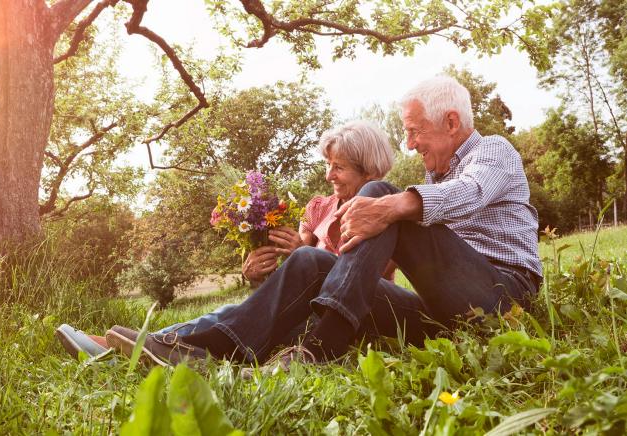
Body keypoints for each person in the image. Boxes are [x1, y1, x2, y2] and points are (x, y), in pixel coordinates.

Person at [105, 75, 542, 369]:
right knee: (309, 264)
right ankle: (196, 346)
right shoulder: (434, 175)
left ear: (451, 122)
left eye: (414, 131)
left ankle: (318, 346)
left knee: (378, 197)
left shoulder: (495, 152)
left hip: (503, 299)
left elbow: (471, 193)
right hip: (442, 316)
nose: (409, 144)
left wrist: (389, 206)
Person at [56, 120, 397, 360]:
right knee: (229, 310)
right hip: (297, 312)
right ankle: (131, 347)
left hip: (338, 321)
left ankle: (134, 346)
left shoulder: (384, 211)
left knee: (231, 314)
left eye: (339, 167)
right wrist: (257, 271)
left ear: (367, 170)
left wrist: (304, 253)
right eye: (328, 164)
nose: (328, 175)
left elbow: (366, 279)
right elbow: (288, 278)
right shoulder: (317, 208)